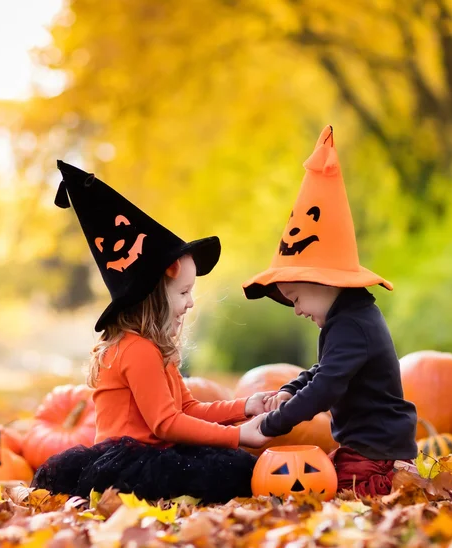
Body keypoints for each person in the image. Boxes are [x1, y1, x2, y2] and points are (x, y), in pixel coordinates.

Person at [32, 161, 267, 504]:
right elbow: (166, 424)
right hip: (131, 465)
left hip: (155, 453)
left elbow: (188, 408)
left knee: (233, 467)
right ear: (154, 297)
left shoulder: (153, 348)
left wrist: (245, 407)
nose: (190, 304)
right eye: (184, 293)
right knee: (233, 471)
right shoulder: (136, 349)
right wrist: (237, 435)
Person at [242, 126, 417, 496]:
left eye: (295, 298)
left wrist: (274, 424)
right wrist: (291, 389)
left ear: (323, 281)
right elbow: (324, 371)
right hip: (368, 445)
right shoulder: (349, 318)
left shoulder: (353, 325)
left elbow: (327, 387)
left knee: (336, 489)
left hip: (378, 451)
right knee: (324, 476)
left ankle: (387, 483)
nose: (296, 310)